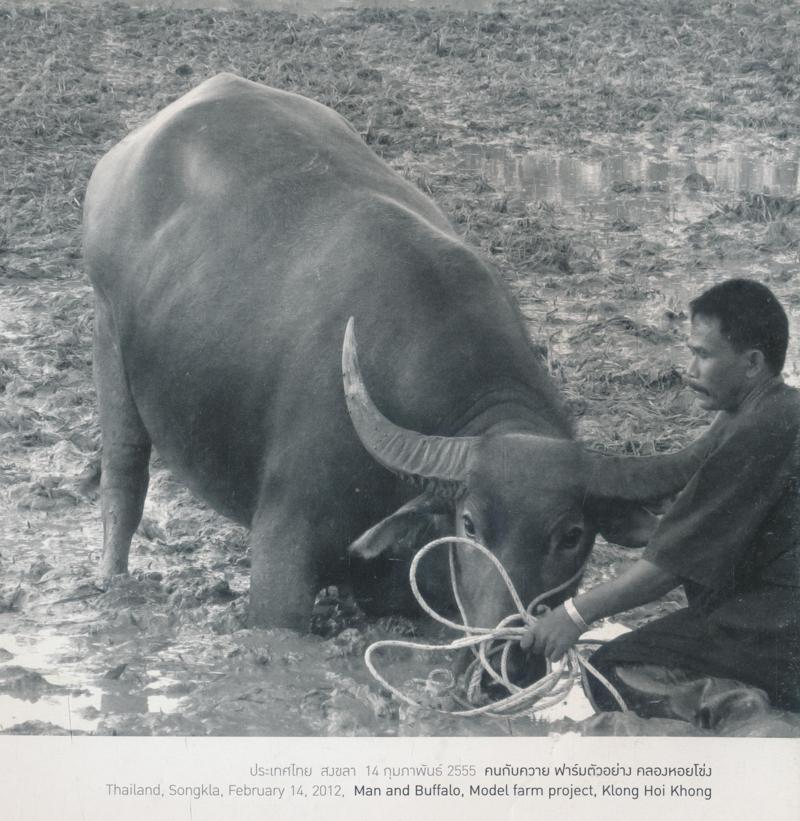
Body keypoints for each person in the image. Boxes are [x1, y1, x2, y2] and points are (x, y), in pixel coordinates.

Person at [522, 278, 800, 722]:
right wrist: (656, 532)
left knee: (611, 670)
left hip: (779, 628)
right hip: (776, 613)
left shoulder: (759, 429)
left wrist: (572, 615)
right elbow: (731, 524)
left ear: (752, 363)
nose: (689, 370)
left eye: (704, 355)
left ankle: (749, 718)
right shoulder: (770, 411)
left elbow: (667, 572)